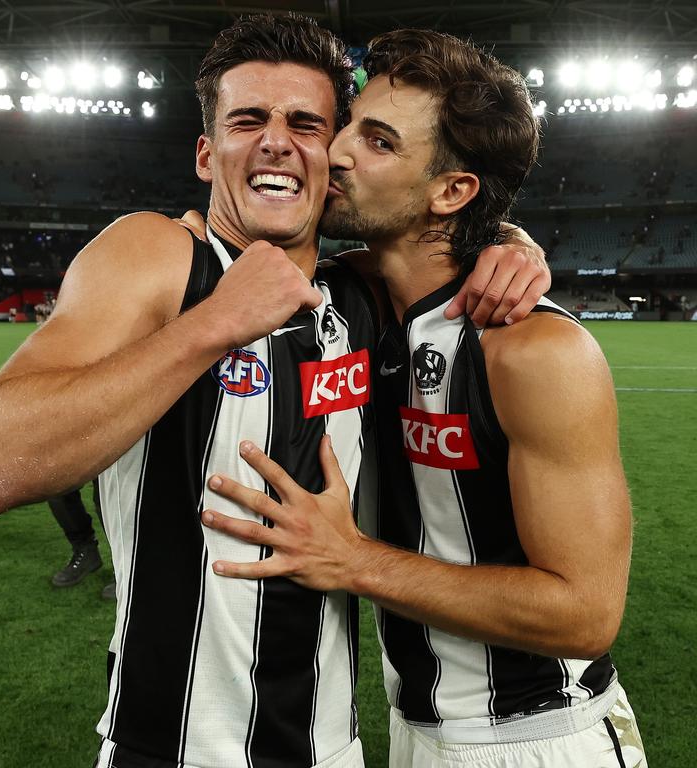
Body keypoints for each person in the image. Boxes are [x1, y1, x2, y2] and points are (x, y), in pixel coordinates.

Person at [0, 16, 548, 768]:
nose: (275, 140)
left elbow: (438, 238)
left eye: (305, 122)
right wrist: (216, 321)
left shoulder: (355, 298)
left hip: (329, 748)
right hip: (166, 749)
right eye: (247, 120)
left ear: (331, 159)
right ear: (208, 154)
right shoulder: (161, 256)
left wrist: (512, 243)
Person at [200, 29, 647, 768]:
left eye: (377, 142)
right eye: (348, 126)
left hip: (541, 740)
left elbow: (585, 613)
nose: (336, 152)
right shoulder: (351, 305)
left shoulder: (534, 351)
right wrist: (509, 237)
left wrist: (352, 560)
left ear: (451, 190)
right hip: (411, 731)